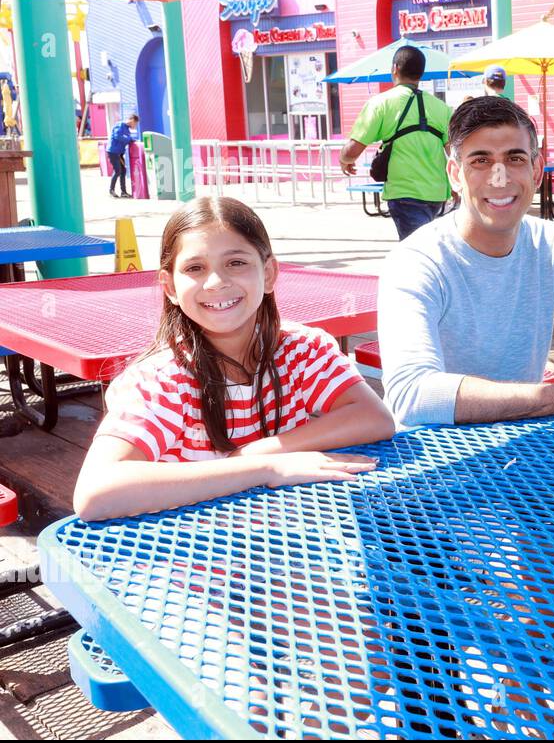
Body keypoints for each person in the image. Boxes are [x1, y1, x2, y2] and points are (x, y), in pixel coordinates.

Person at [72, 197, 394, 521]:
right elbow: (95, 492)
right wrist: (265, 467)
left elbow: (374, 418)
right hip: (191, 556)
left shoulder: (302, 351)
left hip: (291, 545)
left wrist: (260, 450)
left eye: (236, 263)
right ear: (169, 286)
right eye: (195, 268)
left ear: (269, 273)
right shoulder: (161, 381)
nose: (217, 282)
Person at [378, 95, 554, 427]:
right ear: (454, 173)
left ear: (536, 170)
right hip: (430, 459)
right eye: (480, 161)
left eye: (515, 159)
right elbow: (412, 395)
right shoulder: (416, 261)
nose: (499, 177)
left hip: (525, 449)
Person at [340, 45, 453, 241]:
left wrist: (344, 159)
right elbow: (455, 153)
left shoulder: (381, 103)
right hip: (437, 194)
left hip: (405, 193)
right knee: (427, 248)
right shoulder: (441, 107)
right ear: (421, 73)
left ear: (395, 68)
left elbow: (352, 150)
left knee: (417, 253)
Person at [107, 113, 139, 199]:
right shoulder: (120, 125)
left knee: (123, 171)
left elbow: (126, 138)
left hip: (120, 153)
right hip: (113, 152)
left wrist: (130, 140)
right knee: (117, 171)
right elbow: (117, 136)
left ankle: (123, 192)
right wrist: (128, 139)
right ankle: (111, 190)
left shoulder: (127, 129)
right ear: (132, 120)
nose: (135, 126)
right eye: (135, 123)